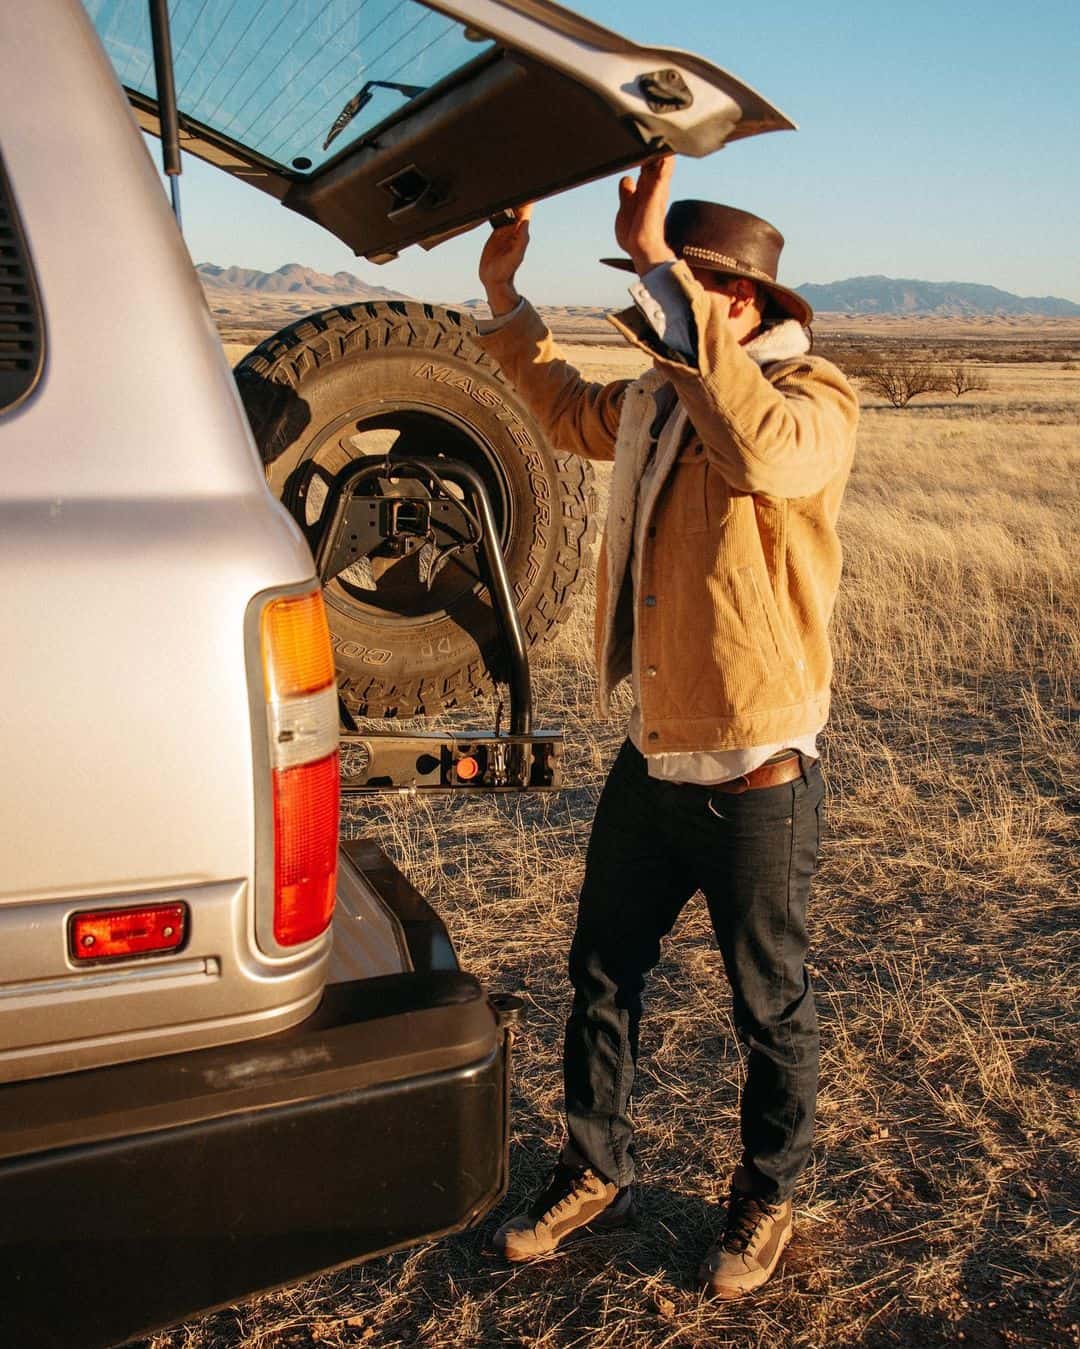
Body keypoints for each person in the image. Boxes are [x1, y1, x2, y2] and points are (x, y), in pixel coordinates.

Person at [474, 157, 858, 1297]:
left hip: (757, 768)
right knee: (602, 972)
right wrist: (505, 296)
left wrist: (656, 266)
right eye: (652, 285)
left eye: (681, 285)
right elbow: (559, 409)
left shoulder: (813, 402)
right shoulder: (653, 394)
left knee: (767, 1003)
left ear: (739, 304)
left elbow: (761, 454)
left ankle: (769, 1195)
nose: (654, 307)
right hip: (655, 754)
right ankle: (596, 1167)